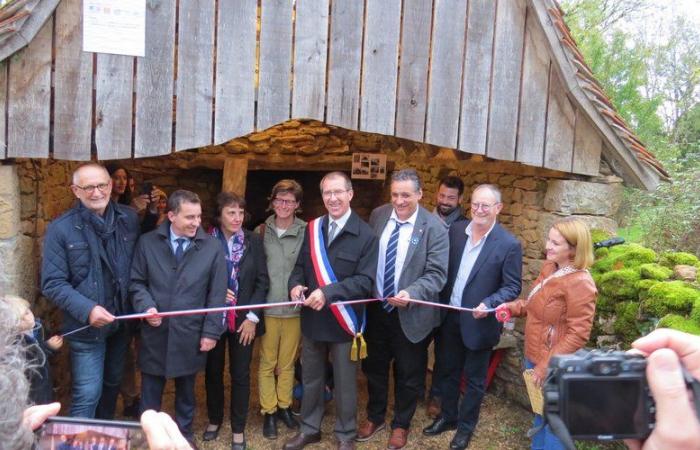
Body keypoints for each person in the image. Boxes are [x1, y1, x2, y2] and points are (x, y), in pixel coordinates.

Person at [283, 171, 378, 450]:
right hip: (313, 319)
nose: (333, 198)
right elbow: (299, 267)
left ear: (350, 194)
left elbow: (365, 282)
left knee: (345, 382)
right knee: (311, 377)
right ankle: (310, 428)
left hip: (343, 323)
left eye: (338, 192)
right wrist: (295, 286)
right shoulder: (312, 229)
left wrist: (327, 292)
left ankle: (346, 435)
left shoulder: (366, 236)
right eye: (327, 193)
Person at [423, 184, 522, 450]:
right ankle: (449, 417)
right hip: (450, 317)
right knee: (448, 372)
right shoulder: (456, 231)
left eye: (485, 206)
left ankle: (466, 429)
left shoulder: (509, 244)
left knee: (475, 381)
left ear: (498, 209)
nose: (479, 210)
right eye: (476, 204)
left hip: (480, 322)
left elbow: (513, 287)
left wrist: (489, 303)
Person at [357, 169, 448, 450]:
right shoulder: (378, 215)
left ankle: (401, 424)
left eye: (405, 195)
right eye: (395, 194)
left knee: (409, 373)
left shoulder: (435, 228)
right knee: (374, 367)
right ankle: (375, 416)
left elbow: (437, 274)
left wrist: (412, 293)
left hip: (411, 314)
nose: (399, 200)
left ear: (420, 194)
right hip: (377, 310)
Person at [129, 189, 228, 444]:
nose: (197, 223)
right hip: (155, 332)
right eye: (190, 217)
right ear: (171, 215)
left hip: (190, 332)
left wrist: (210, 332)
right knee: (150, 391)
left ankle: (184, 436)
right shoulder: (147, 243)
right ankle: (148, 438)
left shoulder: (212, 247)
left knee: (186, 391)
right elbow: (137, 283)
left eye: (199, 216)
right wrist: (146, 306)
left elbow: (216, 294)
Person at [41, 163, 139, 418]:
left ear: (111, 186)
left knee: (111, 386)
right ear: (75, 190)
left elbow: (141, 265)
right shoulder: (60, 229)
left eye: (102, 185)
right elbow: (53, 283)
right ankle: (77, 444)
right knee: (87, 394)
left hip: (120, 323)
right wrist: (88, 310)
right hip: (86, 328)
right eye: (88, 187)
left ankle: (102, 437)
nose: (97, 192)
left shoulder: (128, 219)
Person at [496, 217, 597, 450]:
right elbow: (536, 305)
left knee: (554, 424)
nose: (547, 246)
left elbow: (578, 333)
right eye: (548, 240)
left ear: (573, 249)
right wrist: (512, 308)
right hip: (534, 356)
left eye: (555, 243)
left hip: (554, 366)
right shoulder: (551, 268)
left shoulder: (581, 282)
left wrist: (545, 365)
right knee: (540, 415)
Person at [203, 192, 270, 450]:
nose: (237, 217)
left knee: (241, 373)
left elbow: (262, 281)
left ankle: (238, 427)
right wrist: (216, 292)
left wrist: (253, 317)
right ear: (219, 215)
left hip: (244, 321)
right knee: (212, 371)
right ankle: (215, 419)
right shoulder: (206, 241)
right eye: (231, 212)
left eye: (241, 213)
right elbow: (197, 279)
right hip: (214, 318)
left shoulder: (254, 240)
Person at [255, 180, 306, 439]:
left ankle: (285, 405)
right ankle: (269, 411)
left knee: (287, 363)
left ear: (298, 204)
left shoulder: (307, 231)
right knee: (267, 362)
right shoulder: (261, 231)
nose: (283, 205)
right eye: (279, 200)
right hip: (269, 307)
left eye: (289, 201)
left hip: (295, 309)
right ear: (272, 201)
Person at [427, 175, 467, 418]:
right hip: (423, 296)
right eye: (442, 196)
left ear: (460, 199)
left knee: (445, 352)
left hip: (448, 299)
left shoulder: (465, 227)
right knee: (415, 347)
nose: (445, 201)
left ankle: (437, 395)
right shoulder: (423, 220)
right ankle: (412, 389)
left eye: (451, 198)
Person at [3, 294, 63, 405]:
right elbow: (33, 362)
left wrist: (48, 346)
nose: (28, 318)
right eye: (20, 318)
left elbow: (40, 356)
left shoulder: (36, 330)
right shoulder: (16, 345)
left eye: (27, 312)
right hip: (33, 398)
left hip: (45, 387)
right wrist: (48, 347)